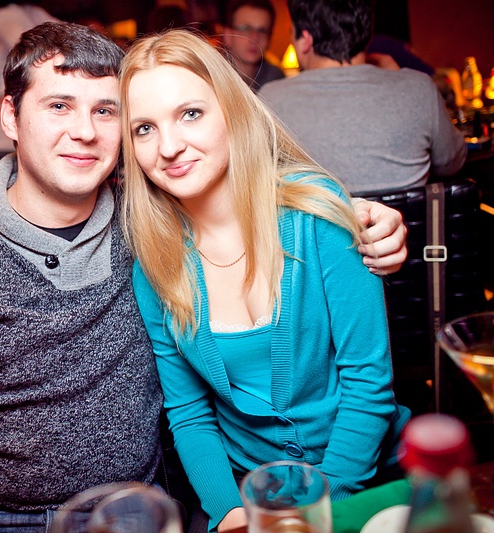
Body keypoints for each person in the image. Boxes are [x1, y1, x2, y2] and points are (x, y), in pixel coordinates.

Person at [0, 21, 409, 532]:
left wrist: (357, 219)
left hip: (140, 509)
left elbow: (357, 368)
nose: (84, 132)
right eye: (59, 105)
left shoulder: (144, 231)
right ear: (10, 117)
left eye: (105, 111)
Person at [119, 29, 412, 532]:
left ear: (231, 109)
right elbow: (189, 413)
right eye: (144, 128)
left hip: (365, 479)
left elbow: (368, 385)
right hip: (251, 495)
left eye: (190, 114)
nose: (168, 146)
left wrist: (321, 511)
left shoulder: (316, 217)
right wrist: (229, 512)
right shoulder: (155, 265)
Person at [259, 0, 466, 194]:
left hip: (317, 222)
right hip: (404, 221)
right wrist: (403, 82)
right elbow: (452, 163)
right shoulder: (419, 88)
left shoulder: (270, 99)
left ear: (305, 40)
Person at [0, 0, 58, 161]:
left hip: (15, 140)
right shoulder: (26, 11)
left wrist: (21, 98)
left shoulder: (4, 17)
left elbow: (36, 59)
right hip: (13, 136)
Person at [220, 0, 284, 91]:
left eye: (262, 31)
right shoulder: (212, 76)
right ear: (227, 35)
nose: (255, 37)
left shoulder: (276, 79)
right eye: (245, 29)